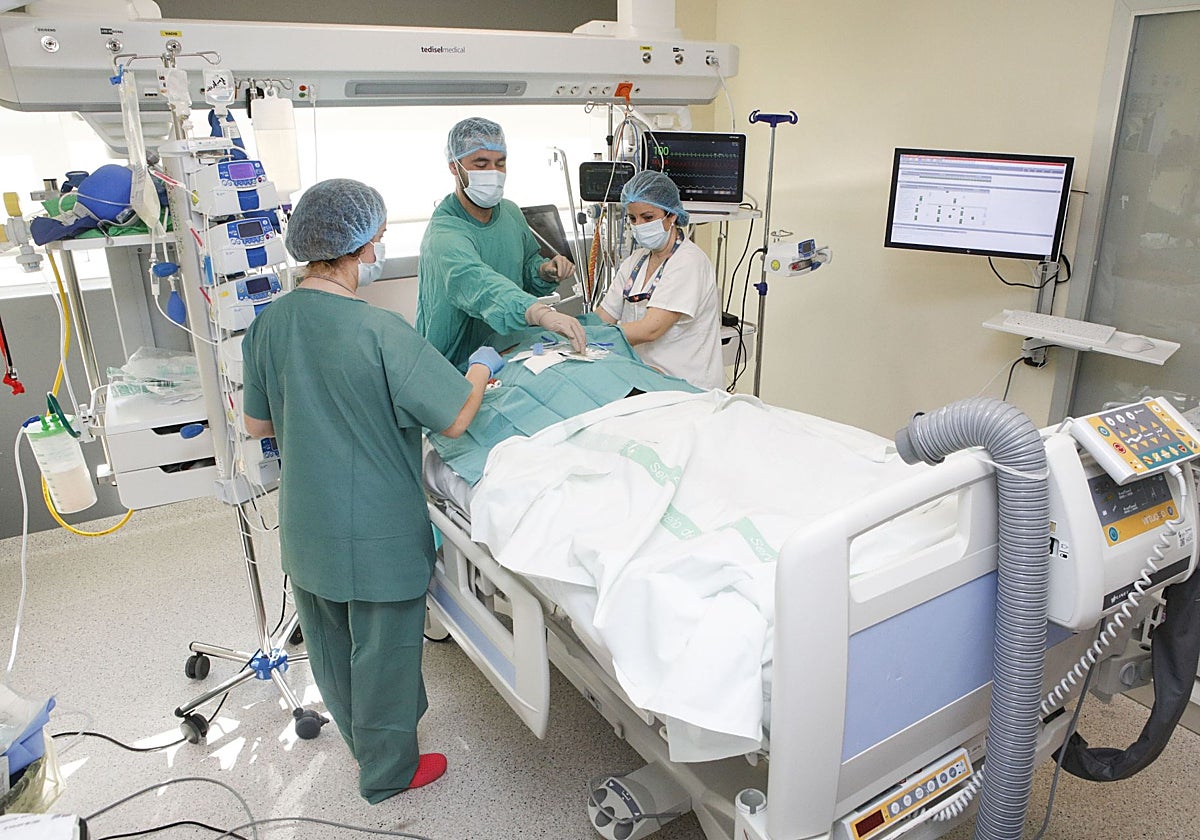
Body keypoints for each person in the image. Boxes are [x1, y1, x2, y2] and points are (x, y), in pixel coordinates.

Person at [240, 178, 505, 804]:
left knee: (332, 647)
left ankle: (364, 742)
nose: (379, 253)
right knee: (383, 653)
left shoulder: (268, 324)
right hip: (377, 528)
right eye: (378, 242)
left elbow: (258, 424)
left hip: (307, 524)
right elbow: (455, 417)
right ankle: (388, 772)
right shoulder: (379, 330)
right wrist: (480, 368)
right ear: (357, 249)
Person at [417, 117, 586, 367]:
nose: (493, 173)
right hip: (458, 364)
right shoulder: (444, 234)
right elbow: (480, 285)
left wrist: (544, 271)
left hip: (509, 352)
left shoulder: (510, 212)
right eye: (481, 164)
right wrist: (538, 313)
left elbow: (525, 267)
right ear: (455, 167)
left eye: (500, 163)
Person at [596, 170, 724, 390]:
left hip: (687, 388)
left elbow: (651, 329)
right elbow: (603, 317)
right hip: (647, 381)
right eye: (632, 218)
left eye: (648, 217)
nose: (639, 225)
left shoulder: (688, 262)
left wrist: (590, 336)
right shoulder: (636, 262)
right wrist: (566, 328)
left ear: (671, 215)